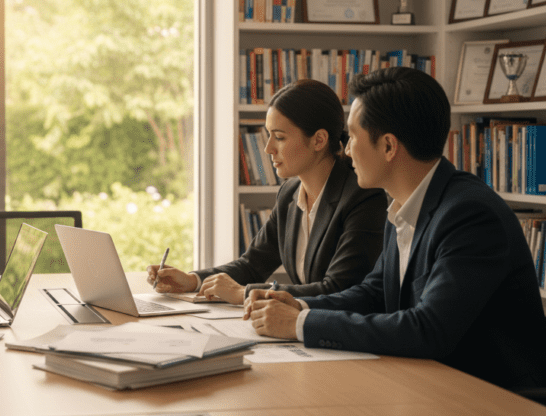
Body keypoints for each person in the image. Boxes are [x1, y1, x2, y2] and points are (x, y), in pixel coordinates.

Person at [244, 67, 546, 397]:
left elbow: (429, 329)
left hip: (500, 405)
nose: (347, 149)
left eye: (353, 137)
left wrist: (300, 325)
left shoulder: (470, 215)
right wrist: (299, 305)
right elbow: (373, 294)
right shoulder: (405, 205)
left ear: (388, 146)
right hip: (433, 388)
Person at [148, 79, 387, 305]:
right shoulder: (290, 193)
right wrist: (192, 280)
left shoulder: (362, 197)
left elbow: (337, 289)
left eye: (279, 137)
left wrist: (244, 293)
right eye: (268, 135)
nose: (268, 148)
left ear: (319, 140)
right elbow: (252, 265)